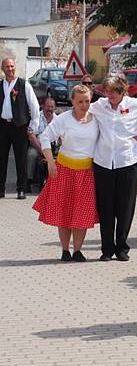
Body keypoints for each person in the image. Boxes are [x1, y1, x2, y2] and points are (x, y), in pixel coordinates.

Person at [89, 73, 137, 261]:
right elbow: (82, 112)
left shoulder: (134, 105)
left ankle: (122, 247)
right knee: (105, 207)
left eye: (113, 91)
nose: (109, 95)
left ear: (122, 90)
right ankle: (106, 248)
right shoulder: (99, 106)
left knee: (125, 207)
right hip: (103, 162)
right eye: (107, 91)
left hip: (127, 161)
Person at [32, 85, 99, 262]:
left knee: (81, 213)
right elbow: (45, 136)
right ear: (72, 102)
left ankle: (78, 250)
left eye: (87, 101)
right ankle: (65, 250)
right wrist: (50, 161)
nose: (84, 105)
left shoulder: (97, 119)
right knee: (65, 212)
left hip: (86, 171)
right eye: (80, 102)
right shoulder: (64, 119)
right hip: (65, 170)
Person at [1, 56, 40, 199]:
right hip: (3, 126)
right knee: (2, 158)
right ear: (2, 69)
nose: (10, 69)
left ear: (14, 67)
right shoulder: (1, 85)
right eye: (7, 66)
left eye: (11, 66)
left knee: (21, 158)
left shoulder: (24, 84)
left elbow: (34, 106)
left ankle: (21, 189)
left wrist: (33, 126)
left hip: (19, 126)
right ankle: (1, 189)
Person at [26, 97, 56, 191]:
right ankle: (28, 181)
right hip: (37, 146)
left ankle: (56, 182)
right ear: (43, 106)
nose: (49, 109)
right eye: (47, 106)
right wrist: (42, 150)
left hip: (53, 147)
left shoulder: (58, 119)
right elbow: (31, 135)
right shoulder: (37, 117)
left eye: (52, 107)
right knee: (31, 155)